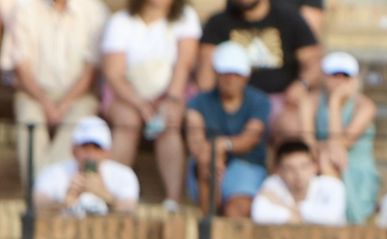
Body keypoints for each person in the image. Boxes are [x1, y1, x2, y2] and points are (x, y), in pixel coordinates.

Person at [100, 0, 199, 213]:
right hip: (126, 95)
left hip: (171, 93)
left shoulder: (186, 17)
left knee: (169, 122)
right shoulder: (121, 21)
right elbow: (114, 74)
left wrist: (171, 100)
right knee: (128, 123)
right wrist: (142, 105)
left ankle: (173, 201)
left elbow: (184, 66)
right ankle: (108, 195)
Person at [9, 0, 108, 180]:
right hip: (34, 94)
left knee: (76, 127)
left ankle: (46, 189)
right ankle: (40, 193)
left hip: (79, 95)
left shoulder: (95, 11)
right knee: (29, 124)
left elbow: (91, 71)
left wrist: (64, 104)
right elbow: (21, 68)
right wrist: (47, 103)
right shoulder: (24, 8)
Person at [196, 0, 320, 142]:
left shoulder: (288, 17)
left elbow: (313, 62)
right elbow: (205, 78)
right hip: (235, 104)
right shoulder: (218, 22)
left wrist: (302, 84)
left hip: (281, 101)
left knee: (291, 125)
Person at [184, 41, 271, 216]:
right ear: (216, 74)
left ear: (245, 76)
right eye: (225, 74)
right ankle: (210, 217)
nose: (230, 79)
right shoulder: (198, 102)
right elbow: (196, 141)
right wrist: (213, 154)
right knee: (206, 160)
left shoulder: (258, 100)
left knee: (236, 208)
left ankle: (212, 222)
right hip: (208, 163)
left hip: (247, 165)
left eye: (236, 74)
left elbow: (250, 138)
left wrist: (222, 146)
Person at [312, 51, 378, 224]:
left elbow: (341, 145)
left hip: (356, 171)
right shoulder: (312, 102)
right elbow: (309, 142)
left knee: (332, 158)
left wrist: (334, 102)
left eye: (345, 77)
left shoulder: (365, 106)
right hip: (321, 163)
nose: (339, 82)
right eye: (335, 76)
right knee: (327, 159)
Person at [32, 115, 139, 215]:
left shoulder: (124, 174)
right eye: (84, 147)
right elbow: (36, 204)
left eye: (97, 148)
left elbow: (129, 210)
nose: (90, 154)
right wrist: (64, 203)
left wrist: (105, 195)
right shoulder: (53, 172)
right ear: (73, 150)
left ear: (107, 152)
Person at [250, 137, 345, 225]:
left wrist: (285, 206)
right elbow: (259, 216)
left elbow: (331, 218)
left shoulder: (332, 185)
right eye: (290, 168)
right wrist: (301, 217)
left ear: (315, 166)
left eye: (303, 166)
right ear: (279, 171)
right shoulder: (272, 184)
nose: (298, 173)